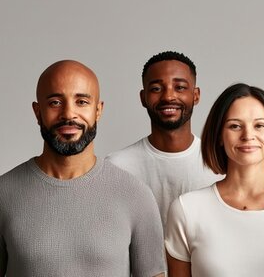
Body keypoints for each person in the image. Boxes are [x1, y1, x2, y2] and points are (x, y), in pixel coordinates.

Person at [0, 60, 164, 276]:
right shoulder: (4, 193)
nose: (69, 114)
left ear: (98, 110)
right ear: (37, 112)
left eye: (82, 102)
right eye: (55, 102)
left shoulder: (136, 195)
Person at [165, 83, 264, 277]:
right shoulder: (186, 209)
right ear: (219, 136)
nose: (248, 135)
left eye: (259, 125)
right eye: (235, 126)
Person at [108, 51, 221, 226]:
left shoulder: (219, 165)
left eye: (180, 87)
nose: (168, 96)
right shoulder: (117, 166)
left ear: (196, 95)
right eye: (156, 89)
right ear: (143, 98)